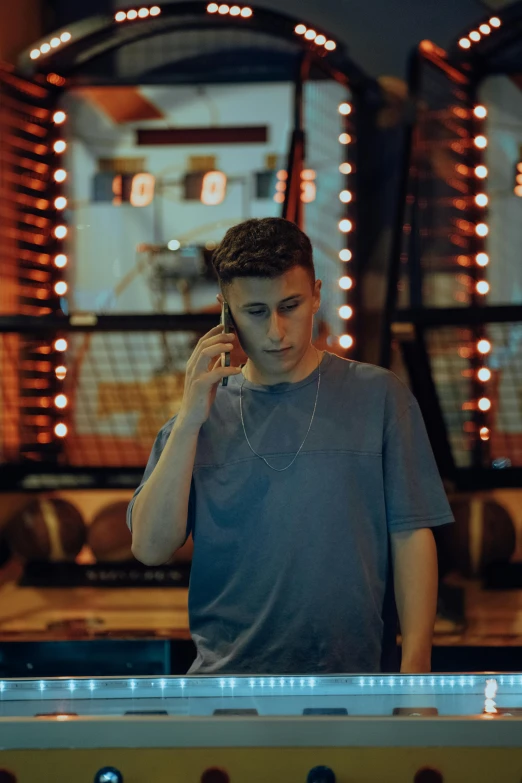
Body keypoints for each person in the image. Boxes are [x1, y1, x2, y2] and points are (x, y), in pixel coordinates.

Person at [127, 217, 454, 675]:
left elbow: (412, 536)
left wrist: (415, 675)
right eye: (255, 312)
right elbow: (150, 547)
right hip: (226, 686)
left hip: (355, 679)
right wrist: (188, 424)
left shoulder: (378, 395)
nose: (277, 331)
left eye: (291, 305)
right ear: (226, 312)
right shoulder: (197, 418)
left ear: (316, 294)